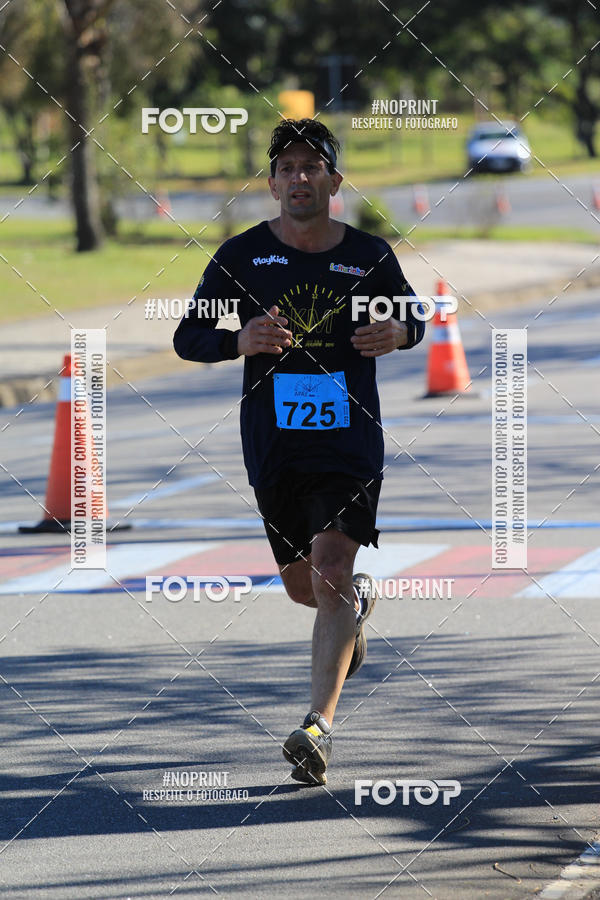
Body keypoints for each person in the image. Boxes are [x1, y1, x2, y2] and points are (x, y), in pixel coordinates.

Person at [174, 118, 425, 785]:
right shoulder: (243, 256)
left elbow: (416, 319)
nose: (299, 177)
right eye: (286, 167)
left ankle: (319, 727)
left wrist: (396, 332)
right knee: (302, 587)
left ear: (334, 182)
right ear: (272, 182)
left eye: (312, 166)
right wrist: (239, 340)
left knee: (332, 566)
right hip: (274, 444)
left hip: (348, 441)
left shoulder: (367, 255)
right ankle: (352, 614)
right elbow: (186, 337)